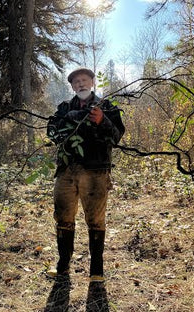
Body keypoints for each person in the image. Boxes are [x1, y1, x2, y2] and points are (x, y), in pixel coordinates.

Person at [46, 67, 125, 282]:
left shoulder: (107, 107)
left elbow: (117, 136)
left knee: (96, 220)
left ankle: (96, 271)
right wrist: (69, 118)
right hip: (66, 171)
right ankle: (63, 266)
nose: (80, 84)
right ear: (72, 86)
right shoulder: (63, 108)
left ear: (92, 82)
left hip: (96, 172)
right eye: (76, 82)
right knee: (63, 217)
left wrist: (103, 121)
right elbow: (52, 133)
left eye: (84, 80)